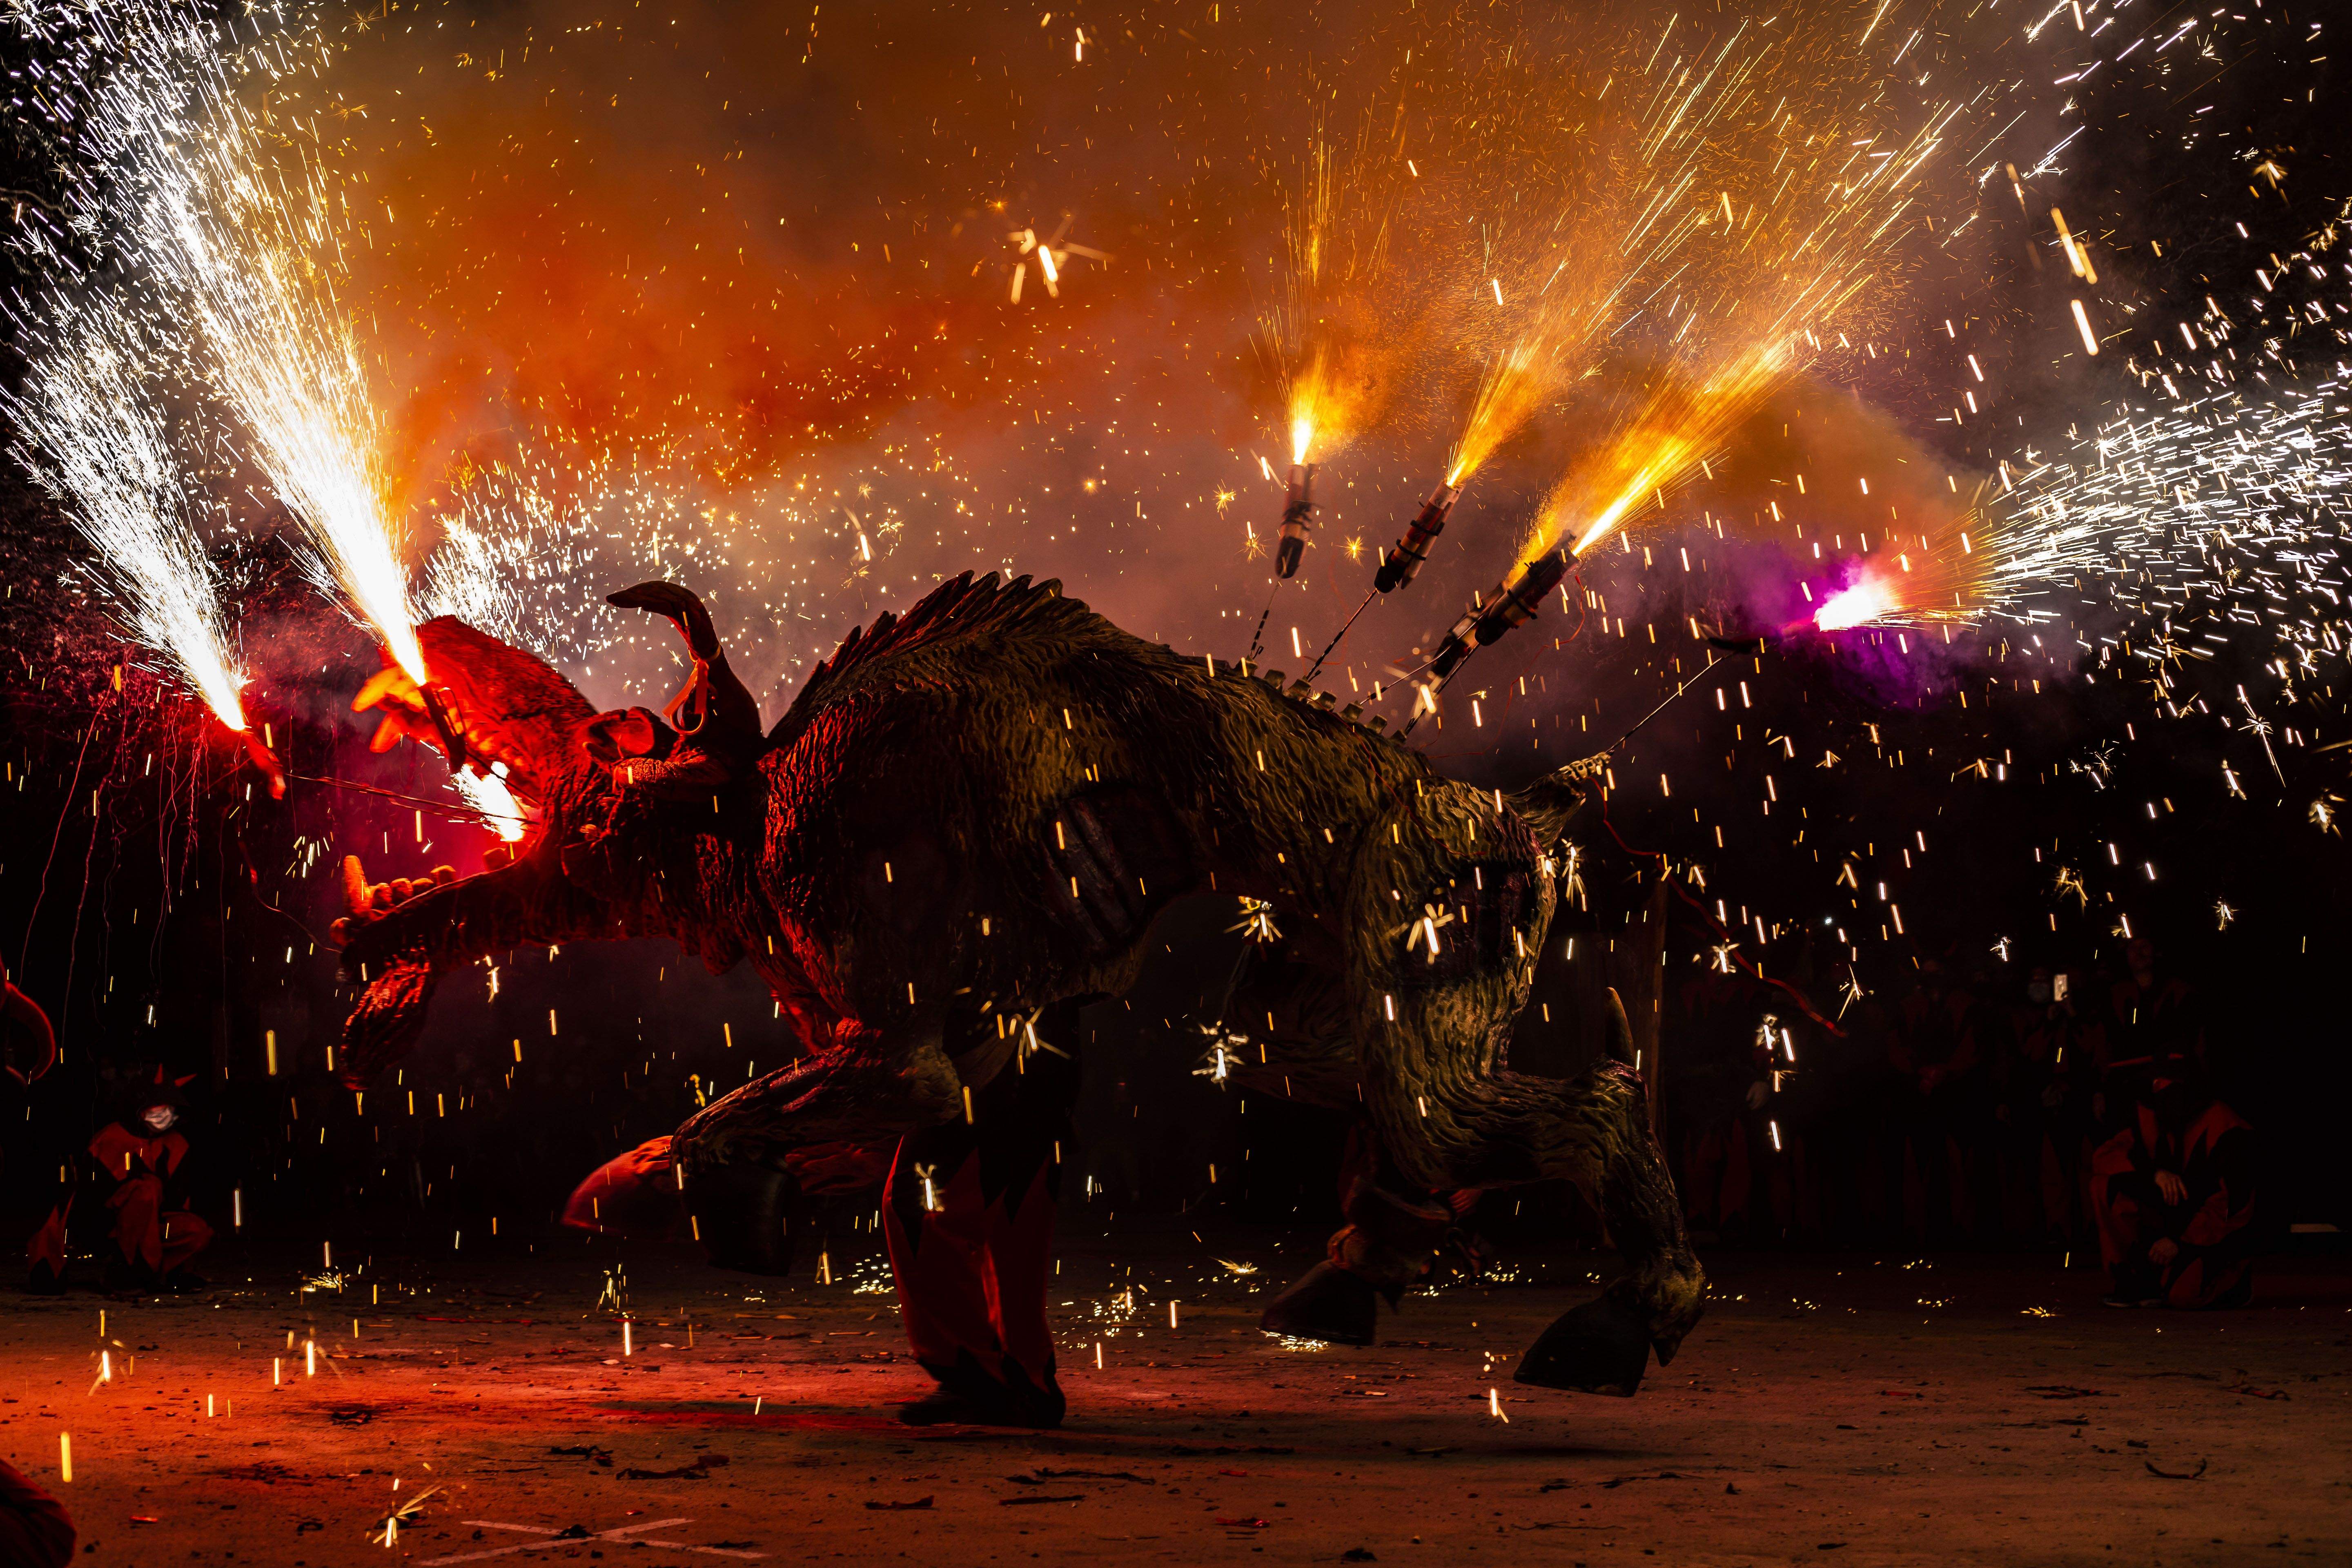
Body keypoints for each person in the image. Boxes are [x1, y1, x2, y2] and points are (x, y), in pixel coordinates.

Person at [26, 1069, 212, 1294]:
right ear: (139, 1109)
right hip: (105, 1227)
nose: (164, 1115)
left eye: (169, 1109)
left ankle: (163, 1275)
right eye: (158, 1108)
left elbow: (180, 1203)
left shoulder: (178, 1145)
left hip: (153, 1227)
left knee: (197, 1230)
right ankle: (126, 1275)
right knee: (146, 1189)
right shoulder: (109, 1139)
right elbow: (86, 1198)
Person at [2090, 1061, 2256, 1308]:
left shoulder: (2226, 1130)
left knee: (2183, 1296)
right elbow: (2105, 1157)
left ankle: (2233, 1280)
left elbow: (2231, 1208)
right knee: (2105, 1186)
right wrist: (2154, 1174)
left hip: (2214, 1233)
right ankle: (2137, 1280)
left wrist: (2180, 1241)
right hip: (2175, 1219)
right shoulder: (2151, 1112)